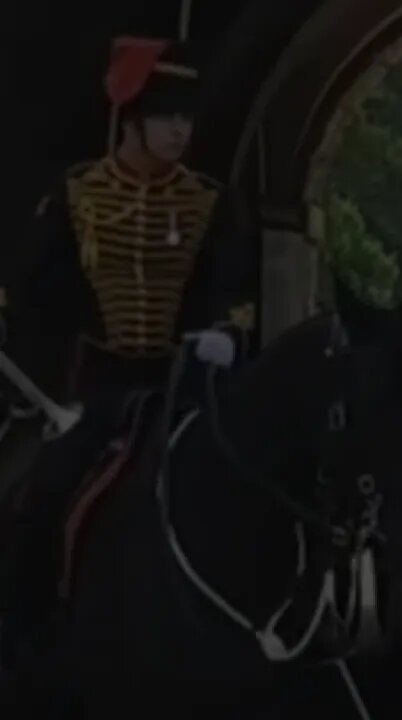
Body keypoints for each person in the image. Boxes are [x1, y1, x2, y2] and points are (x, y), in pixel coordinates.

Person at [0, 36, 257, 650]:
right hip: (92, 385)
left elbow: (232, 285)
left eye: (187, 119)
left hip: (181, 382)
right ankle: (31, 632)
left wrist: (223, 329)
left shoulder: (207, 202)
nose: (180, 132)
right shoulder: (76, 194)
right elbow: (36, 288)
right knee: (47, 488)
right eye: (168, 117)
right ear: (134, 122)